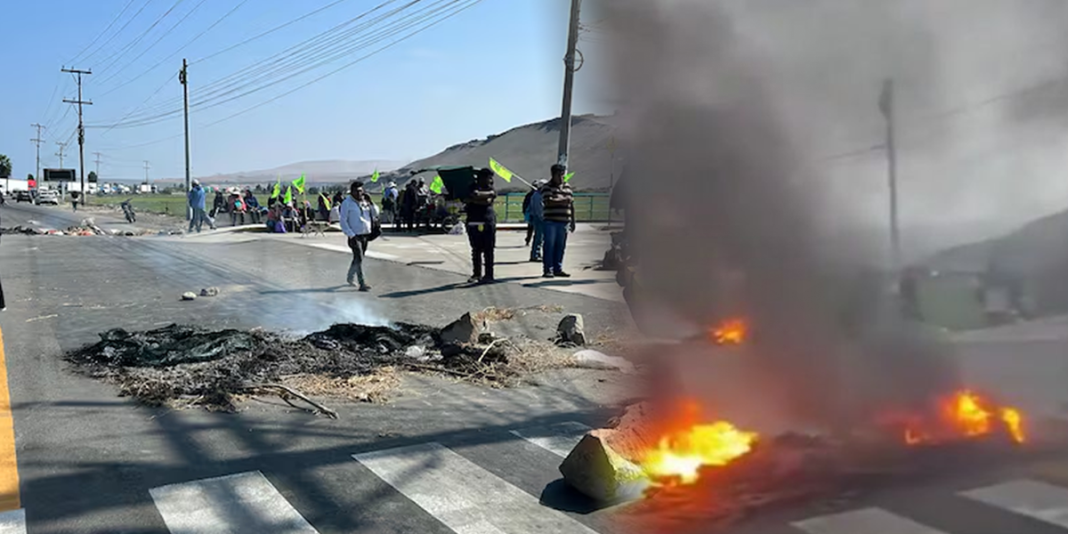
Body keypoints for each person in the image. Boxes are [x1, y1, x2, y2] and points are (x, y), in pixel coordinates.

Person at [340, 181, 379, 291]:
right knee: (359, 257)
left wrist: (371, 202)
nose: (359, 193)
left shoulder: (365, 201)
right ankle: (362, 283)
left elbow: (376, 213)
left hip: (366, 234)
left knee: (358, 258)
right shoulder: (347, 203)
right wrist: (351, 234)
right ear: (351, 192)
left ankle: (350, 277)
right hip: (354, 235)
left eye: (361, 191)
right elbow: (343, 221)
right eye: (357, 191)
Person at [541, 163, 576, 278]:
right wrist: (564, 200)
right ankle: (548, 269)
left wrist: (573, 221)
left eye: (562, 175)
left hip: (564, 221)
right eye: (559, 175)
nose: (561, 178)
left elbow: (571, 204)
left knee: (560, 246)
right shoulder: (547, 187)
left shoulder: (567, 187)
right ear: (553, 175)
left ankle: (558, 268)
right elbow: (549, 201)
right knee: (549, 245)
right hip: (551, 221)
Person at [464, 168, 498, 284]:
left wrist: (478, 196)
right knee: (476, 250)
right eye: (488, 177)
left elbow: (488, 200)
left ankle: (489, 275)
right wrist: (477, 197)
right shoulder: (470, 187)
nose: (490, 180)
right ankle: (476, 274)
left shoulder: (491, 188)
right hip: (473, 221)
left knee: (489, 250)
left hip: (488, 222)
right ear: (481, 178)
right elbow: (470, 197)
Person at [527, 180, 545, 262]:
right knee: (539, 237)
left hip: (536, 218)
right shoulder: (538, 196)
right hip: (539, 219)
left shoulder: (535, 195)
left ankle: (536, 254)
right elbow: (539, 209)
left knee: (538, 237)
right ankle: (535, 254)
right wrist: (543, 218)